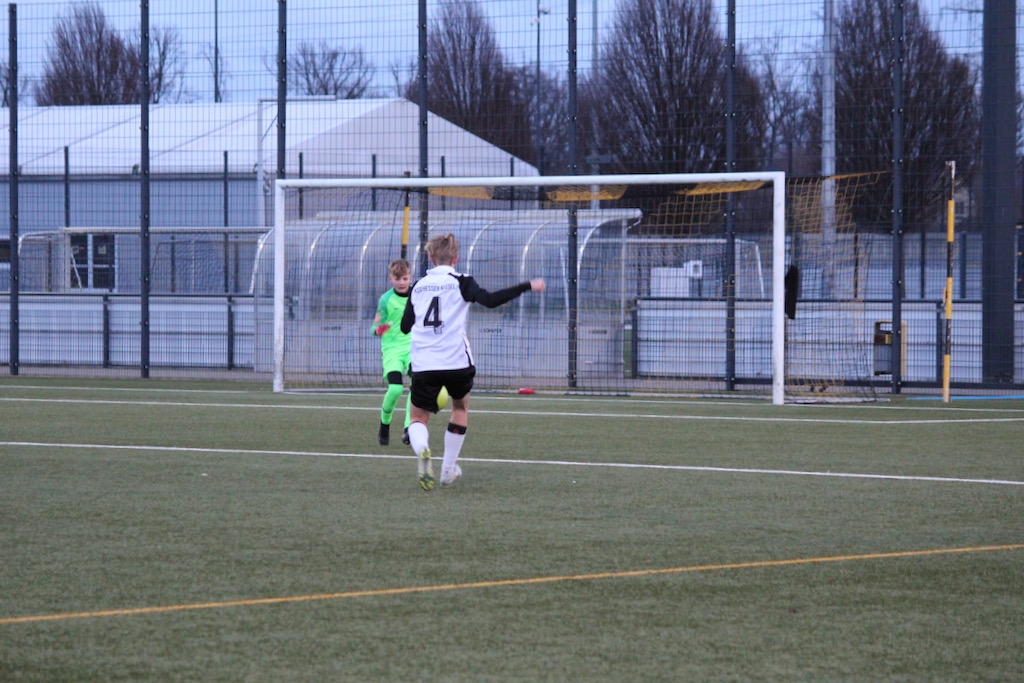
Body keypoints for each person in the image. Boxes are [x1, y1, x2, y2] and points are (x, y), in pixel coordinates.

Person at [400, 232, 545, 490]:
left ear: (430, 258)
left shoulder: (418, 286)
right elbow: (490, 301)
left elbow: (405, 327)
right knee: (460, 409)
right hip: (457, 362)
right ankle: (447, 470)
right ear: (455, 258)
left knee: (418, 418)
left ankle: (422, 449)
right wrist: (526, 286)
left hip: (424, 363)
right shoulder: (462, 282)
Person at [372, 258, 413, 446]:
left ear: (410, 278)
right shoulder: (385, 299)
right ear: (391, 279)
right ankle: (384, 424)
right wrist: (379, 329)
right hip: (392, 350)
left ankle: (409, 428)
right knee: (396, 389)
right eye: (398, 279)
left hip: (413, 348)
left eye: (405, 278)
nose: (402, 282)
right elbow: (374, 327)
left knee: (417, 386)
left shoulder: (417, 296)